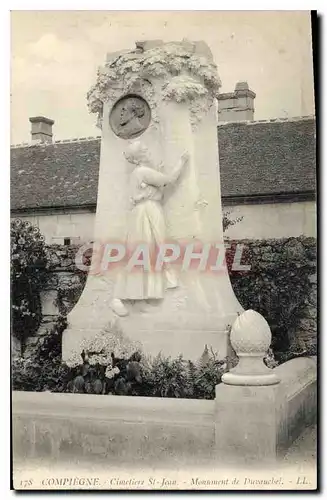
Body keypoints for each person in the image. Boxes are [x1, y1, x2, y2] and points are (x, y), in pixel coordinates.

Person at [111, 141, 189, 317]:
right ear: (138, 157)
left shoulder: (140, 173)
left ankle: (140, 296)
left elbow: (159, 182)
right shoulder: (142, 172)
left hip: (145, 212)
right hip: (147, 213)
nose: (148, 150)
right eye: (144, 149)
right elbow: (169, 180)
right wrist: (182, 162)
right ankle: (131, 297)